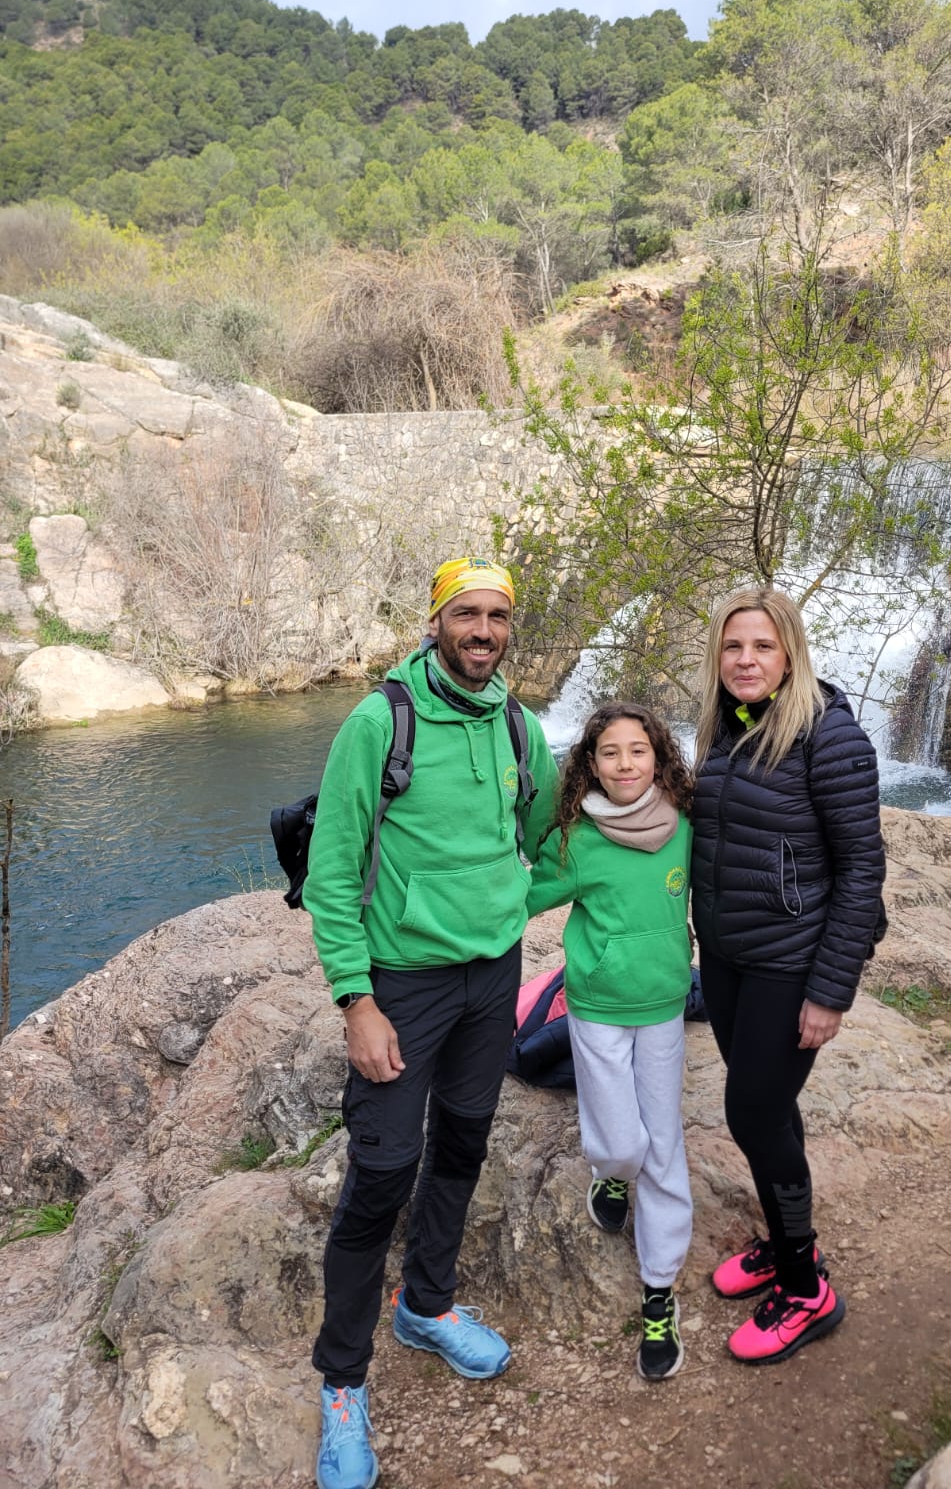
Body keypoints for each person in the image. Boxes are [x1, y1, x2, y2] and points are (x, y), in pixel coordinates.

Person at [304, 556, 558, 1489]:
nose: (483, 631)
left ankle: (428, 1304)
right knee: (381, 1171)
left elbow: (544, 839)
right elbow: (333, 873)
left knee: (462, 1142)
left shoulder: (522, 728)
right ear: (436, 620)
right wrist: (356, 1000)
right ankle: (342, 1383)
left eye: (497, 615)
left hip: (493, 977)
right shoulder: (382, 721)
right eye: (467, 614)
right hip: (403, 984)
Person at [690, 587, 886, 1366]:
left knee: (751, 1113)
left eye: (763, 646)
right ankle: (786, 1239)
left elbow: (863, 869)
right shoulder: (726, 725)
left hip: (790, 962)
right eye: (733, 646)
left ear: (790, 653)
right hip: (728, 957)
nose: (746, 660)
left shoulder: (828, 736)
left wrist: (829, 991)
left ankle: (807, 1291)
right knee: (770, 1112)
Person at [526, 702, 695, 1381]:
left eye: (638, 751)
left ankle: (659, 1290)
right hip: (596, 1006)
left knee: (663, 1145)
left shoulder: (686, 827)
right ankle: (611, 1173)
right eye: (610, 753)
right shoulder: (577, 841)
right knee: (623, 1146)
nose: (625, 764)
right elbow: (521, 897)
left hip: (664, 1006)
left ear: (659, 757)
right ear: (590, 766)